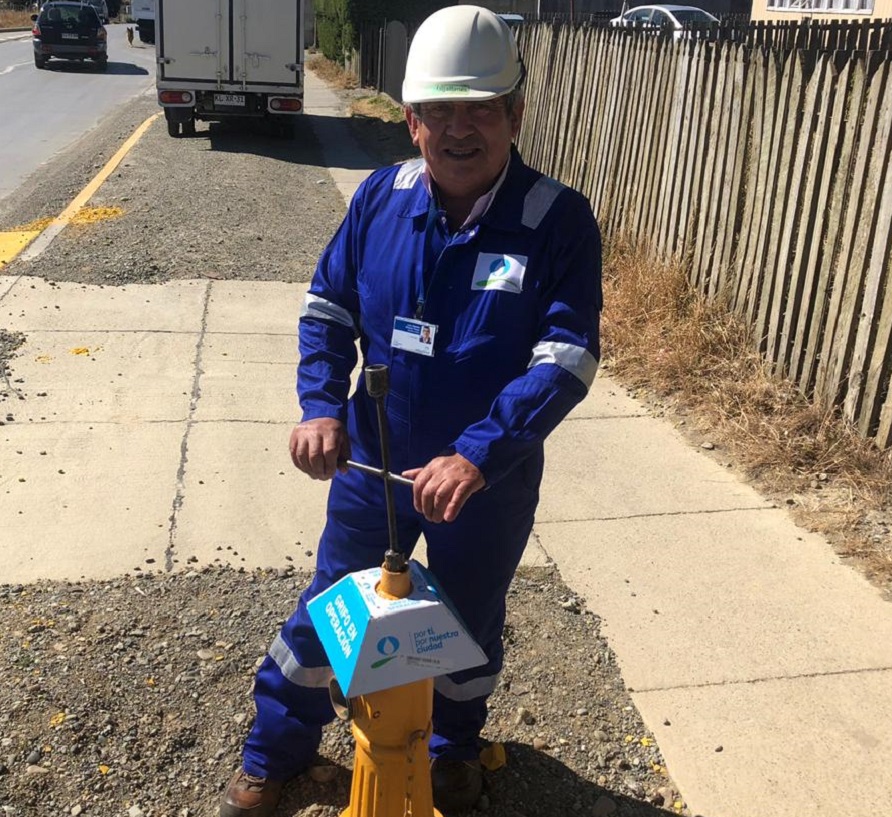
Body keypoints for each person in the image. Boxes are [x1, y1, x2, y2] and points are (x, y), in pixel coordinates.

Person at [220, 5, 602, 816]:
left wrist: (479, 453)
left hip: (483, 483)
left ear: (515, 116)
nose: (459, 130)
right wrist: (321, 406)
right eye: (438, 111)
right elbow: (328, 309)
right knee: (331, 615)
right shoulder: (380, 199)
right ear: (412, 120)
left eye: (481, 110)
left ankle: (448, 752)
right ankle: (273, 756)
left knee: (465, 628)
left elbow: (566, 357)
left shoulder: (557, 221)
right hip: (374, 465)